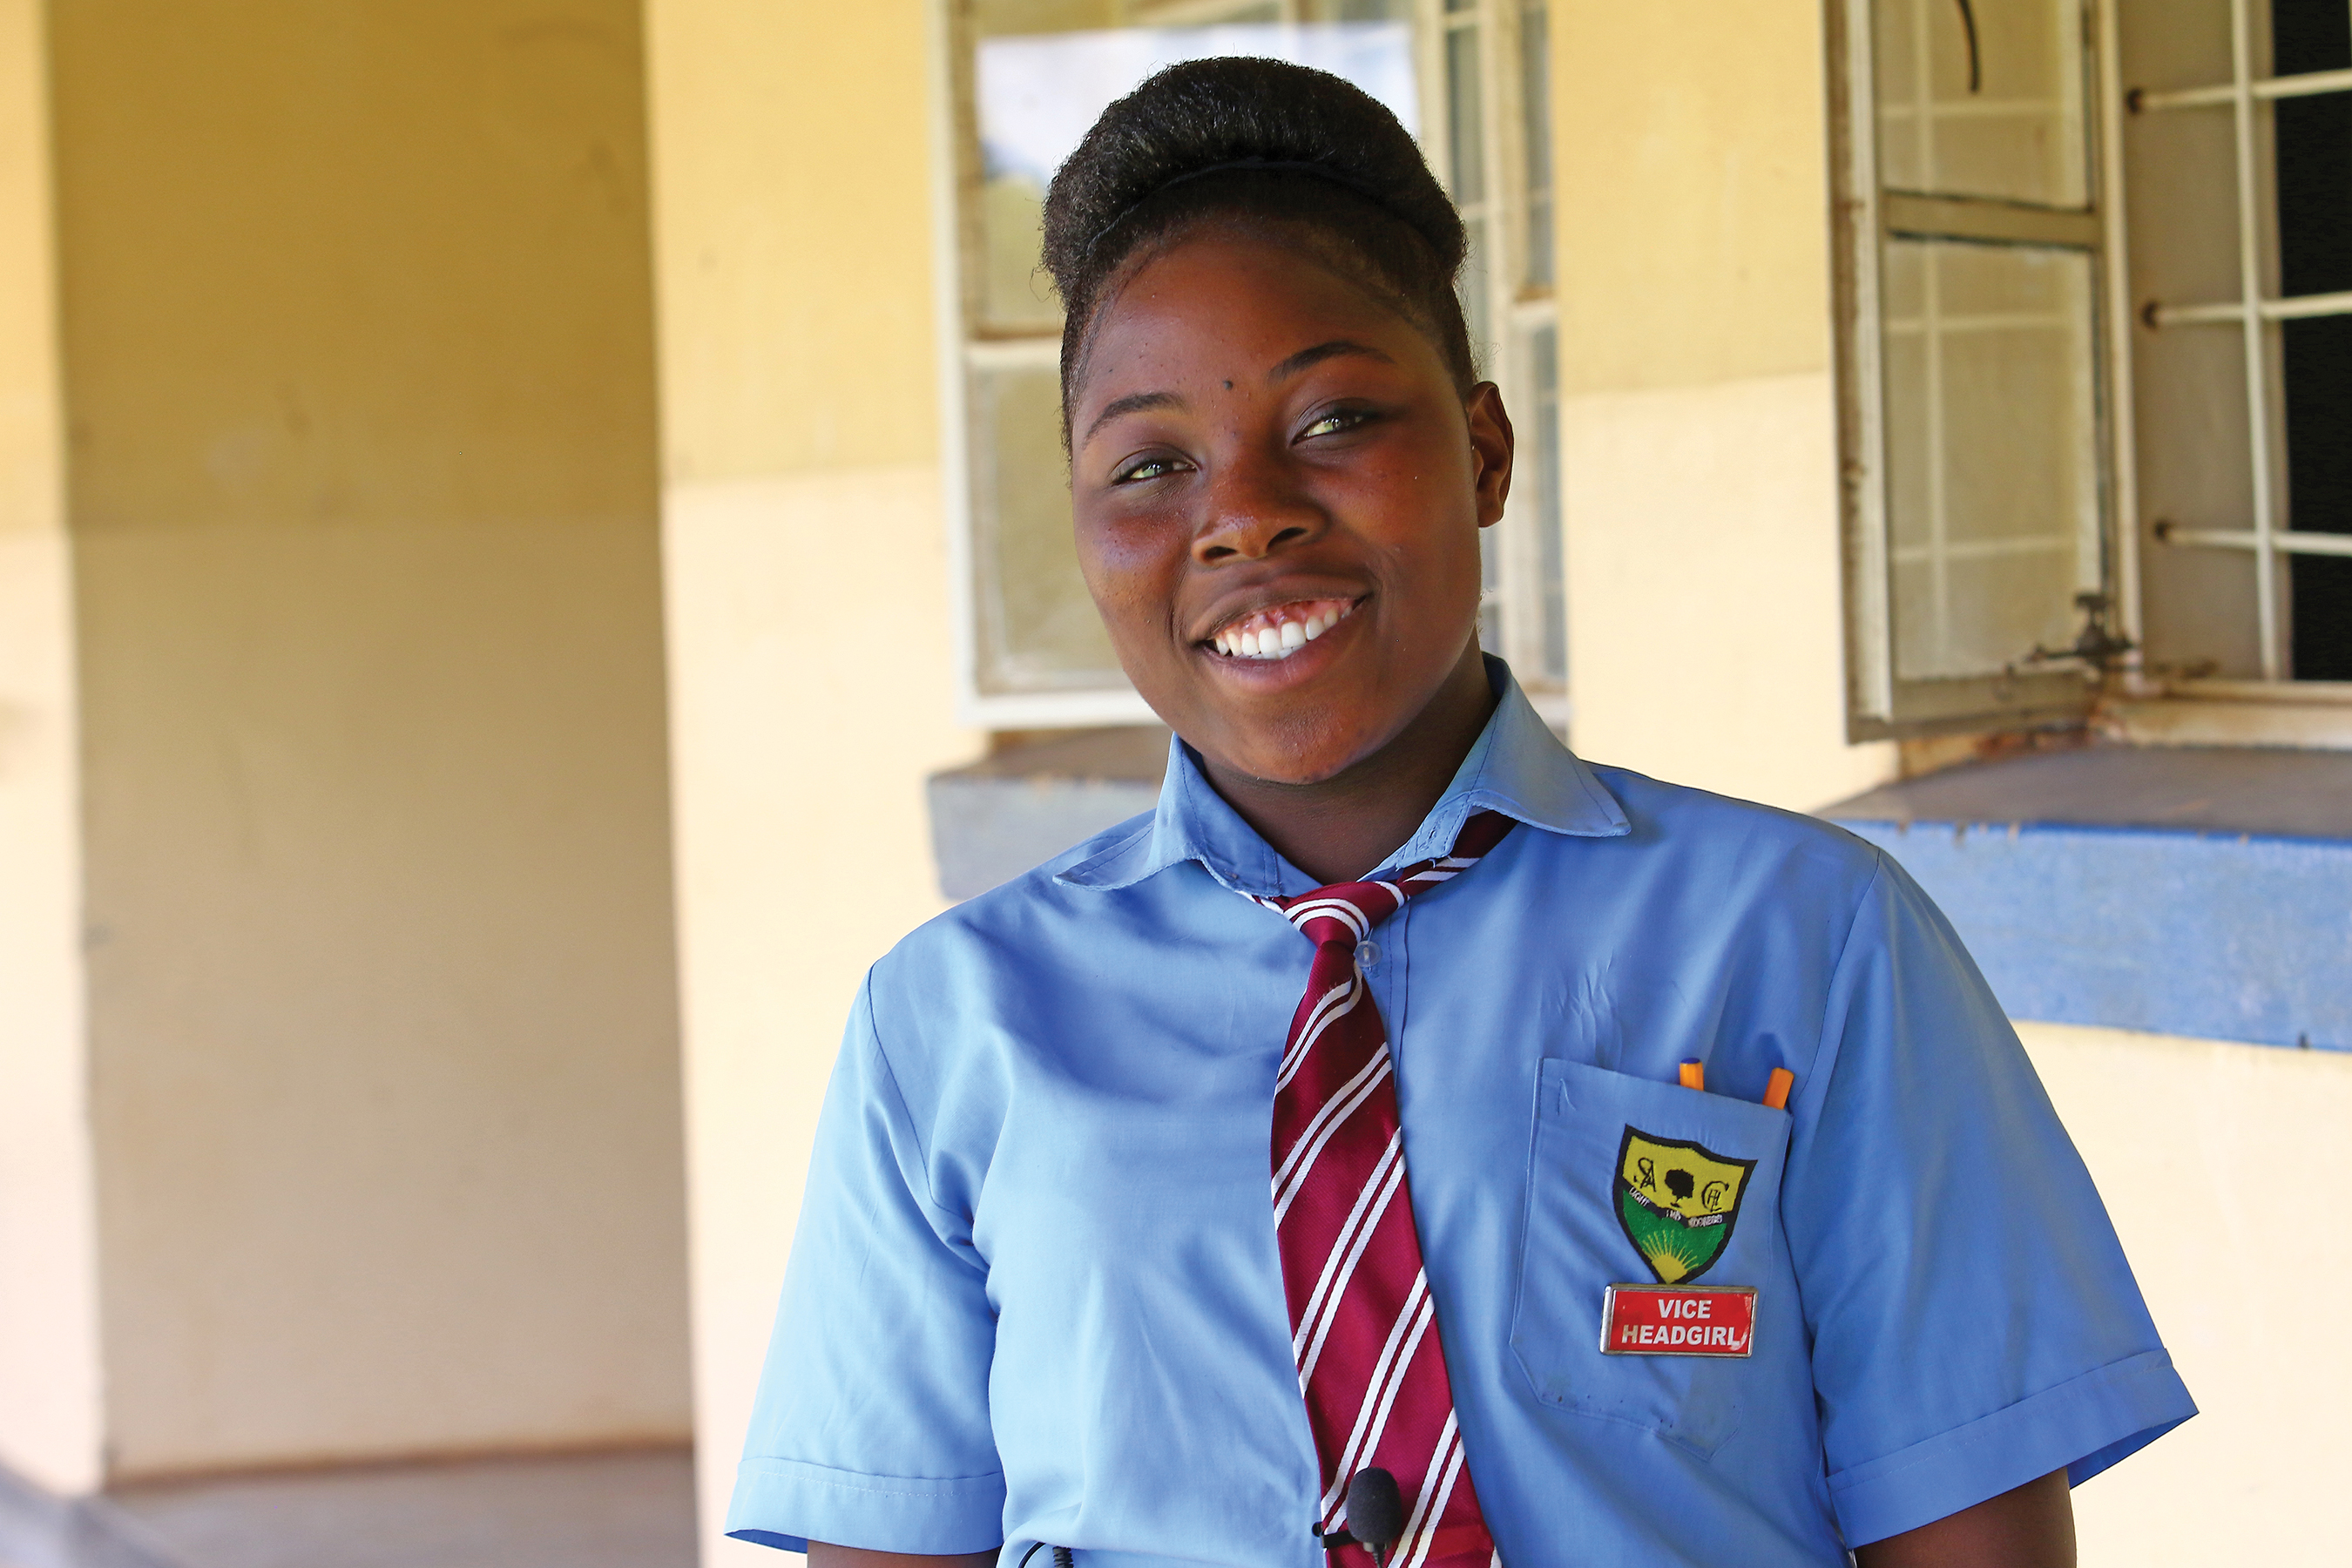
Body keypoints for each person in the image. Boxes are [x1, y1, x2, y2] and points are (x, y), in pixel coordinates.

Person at [725, 57, 2193, 1568]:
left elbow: (1970, 1532)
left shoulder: (1806, 939)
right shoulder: (952, 1025)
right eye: (1152, 464)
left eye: (1333, 417)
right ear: (1090, 532)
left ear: (1484, 451)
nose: (1242, 513)